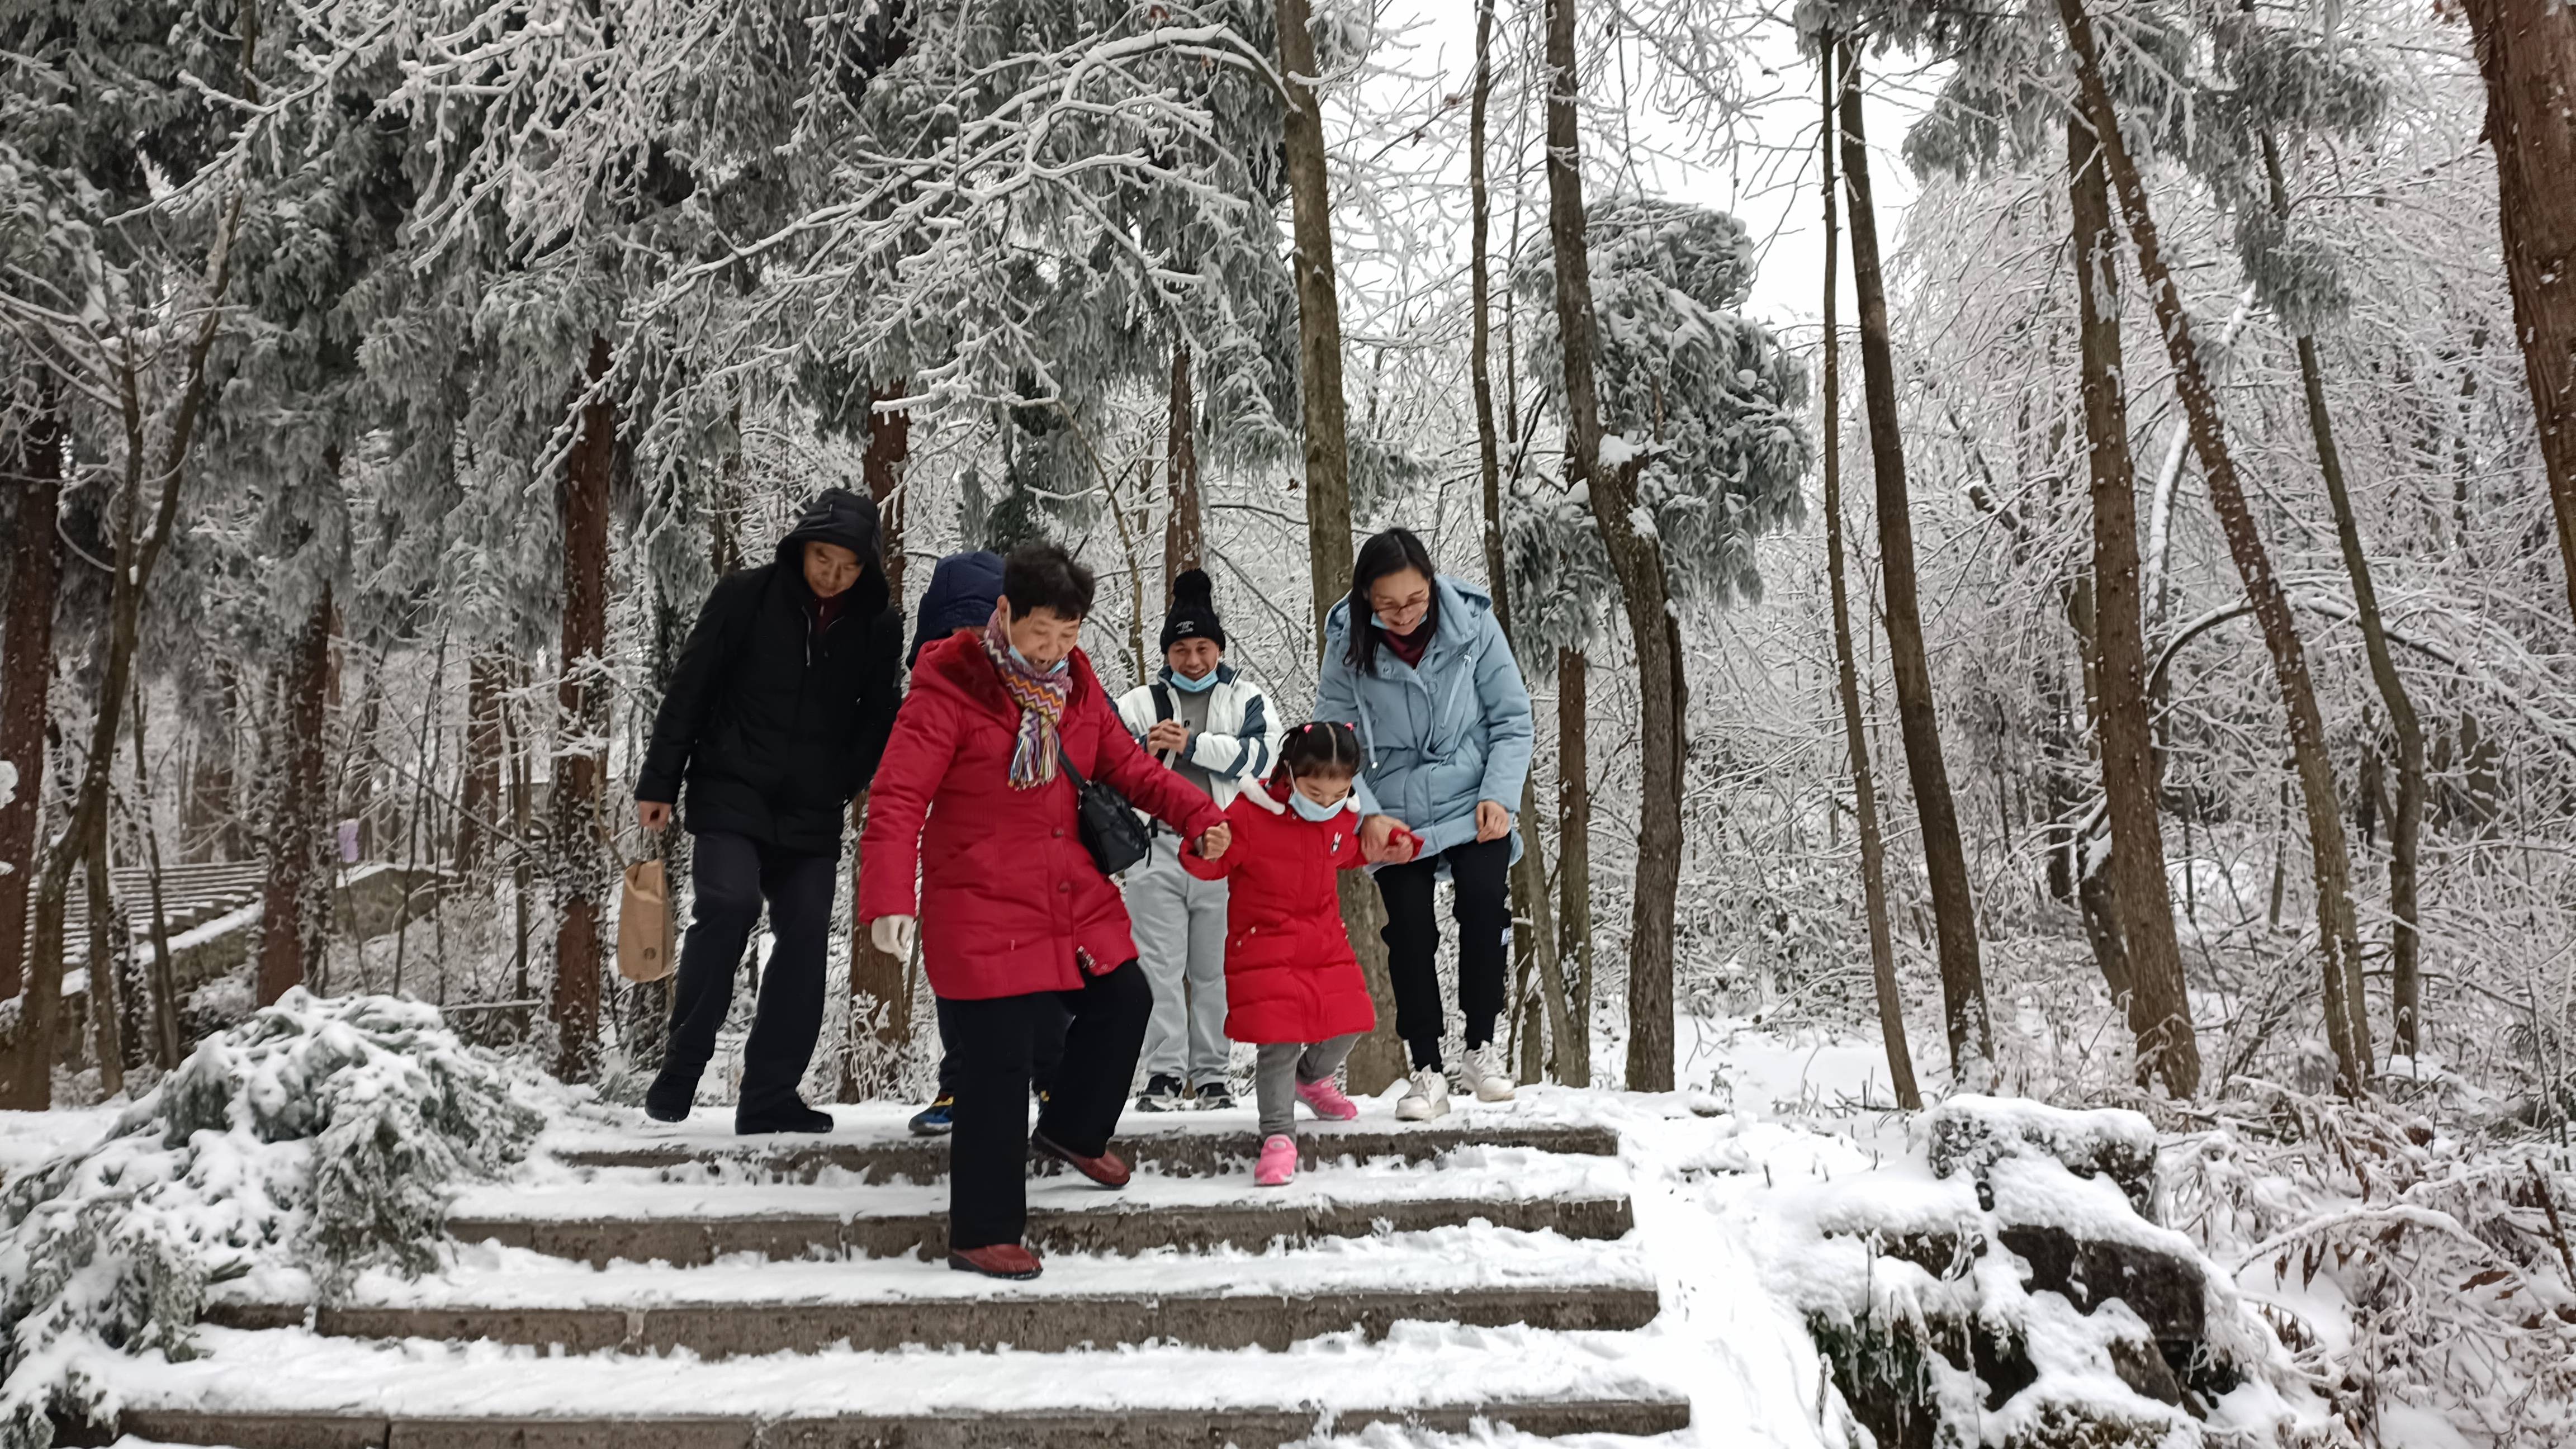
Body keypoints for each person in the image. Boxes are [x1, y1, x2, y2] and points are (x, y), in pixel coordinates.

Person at [859, 543, 1233, 1281]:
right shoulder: (951, 688)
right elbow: (898, 798)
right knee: (998, 1061)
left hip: (1069, 892)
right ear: (1004, 614)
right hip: (981, 898)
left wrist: (1195, 815)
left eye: (1069, 635)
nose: (1054, 649)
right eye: (1040, 635)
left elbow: (1124, 767)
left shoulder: (1078, 686)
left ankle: (1070, 1131)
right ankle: (982, 1231)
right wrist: (887, 899)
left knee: (1126, 998)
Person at [635, 487, 905, 1133]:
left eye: (848, 565)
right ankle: (682, 1068)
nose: (832, 574)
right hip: (732, 790)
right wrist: (659, 782)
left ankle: (769, 1096)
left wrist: (844, 780)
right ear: (800, 547)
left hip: (812, 810)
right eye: (822, 558)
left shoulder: (877, 625)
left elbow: (878, 718)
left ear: (866, 567)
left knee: (808, 932)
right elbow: (690, 688)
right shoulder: (745, 597)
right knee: (728, 905)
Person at [1317, 527, 1534, 1122]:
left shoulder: (1474, 625)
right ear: (1366, 600)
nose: (1405, 615)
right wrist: (1366, 810)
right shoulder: (1347, 646)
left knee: (1485, 903)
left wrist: (1500, 795)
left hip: (1472, 794)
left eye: (1415, 600)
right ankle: (1426, 1069)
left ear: (1432, 587)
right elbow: (1334, 741)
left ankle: (1480, 1048)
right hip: (1396, 806)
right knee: (1409, 927)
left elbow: (1513, 719)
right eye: (1388, 605)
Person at [1181, 722, 1416, 1186]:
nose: (1326, 803)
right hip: (1263, 941)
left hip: (1323, 938)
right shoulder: (1252, 813)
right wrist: (1207, 844)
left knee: (1354, 1019)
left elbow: (1347, 851)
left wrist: (1392, 848)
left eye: (1339, 793)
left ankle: (1310, 1079)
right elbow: (1211, 861)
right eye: (1315, 792)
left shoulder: (1340, 815)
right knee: (1280, 1041)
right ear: (1289, 773)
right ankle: (1278, 1136)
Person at [893, 550, 1068, 1140]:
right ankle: (958, 1080)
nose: (970, 644)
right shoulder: (935, 691)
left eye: (978, 631)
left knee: (1044, 979)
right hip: (962, 863)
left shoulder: (1046, 685)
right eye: (955, 633)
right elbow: (903, 789)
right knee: (961, 980)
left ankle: (1052, 1081)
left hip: (1037, 858)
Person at [1113, 568, 1275, 1112]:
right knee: (1156, 967)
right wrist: (1148, 747)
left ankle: (1211, 1076)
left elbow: (1261, 759)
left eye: (1203, 647)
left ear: (1219, 648)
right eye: (1181, 649)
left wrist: (1192, 745)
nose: (1193, 660)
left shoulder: (1246, 698)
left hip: (1225, 849)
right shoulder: (1138, 703)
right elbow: (1105, 762)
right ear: (1167, 653)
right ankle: (1161, 1074)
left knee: (1214, 971)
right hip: (1154, 846)